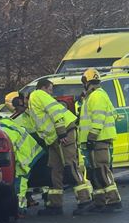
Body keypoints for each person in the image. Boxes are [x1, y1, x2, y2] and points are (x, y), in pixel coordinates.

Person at [28, 77, 93, 215]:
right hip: (57, 136)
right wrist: (59, 134)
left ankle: (85, 200)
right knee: (55, 169)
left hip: (62, 133)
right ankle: (55, 204)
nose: (51, 93)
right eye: (50, 90)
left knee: (70, 166)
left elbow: (55, 114)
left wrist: (62, 133)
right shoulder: (39, 95)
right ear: (43, 88)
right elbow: (53, 114)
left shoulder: (36, 97)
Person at [78, 69, 122, 212]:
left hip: (98, 139)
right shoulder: (92, 96)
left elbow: (98, 118)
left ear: (87, 82)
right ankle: (100, 201)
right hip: (95, 140)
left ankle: (113, 201)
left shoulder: (97, 96)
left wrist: (92, 137)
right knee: (95, 171)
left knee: (102, 169)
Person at [0, 112, 44, 215]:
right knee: (21, 180)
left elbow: (13, 149)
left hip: (26, 155)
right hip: (28, 151)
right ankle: (21, 206)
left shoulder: (3, 131)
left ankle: (19, 208)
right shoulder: (5, 125)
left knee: (20, 180)